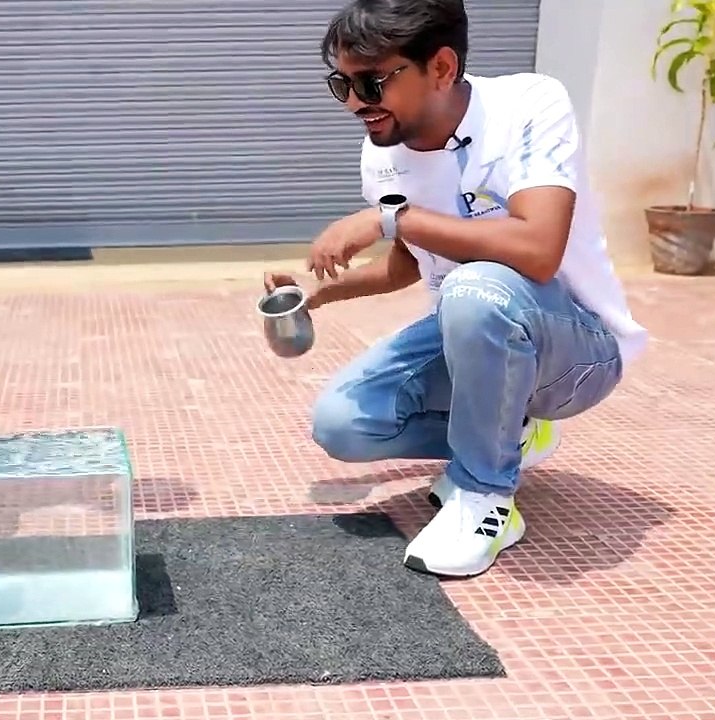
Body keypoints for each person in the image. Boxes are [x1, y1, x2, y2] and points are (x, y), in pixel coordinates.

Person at [265, 0, 648, 578]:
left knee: (474, 290)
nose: (353, 102)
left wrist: (392, 217)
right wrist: (321, 291)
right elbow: (410, 263)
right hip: (470, 324)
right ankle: (509, 429)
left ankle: (484, 496)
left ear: (441, 68)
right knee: (343, 422)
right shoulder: (383, 151)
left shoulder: (529, 104)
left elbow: (539, 250)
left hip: (579, 349)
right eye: (341, 82)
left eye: (371, 82)